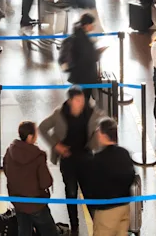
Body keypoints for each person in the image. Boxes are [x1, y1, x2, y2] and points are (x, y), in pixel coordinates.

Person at [38, 86, 107, 235]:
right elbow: (43, 127)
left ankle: (98, 225)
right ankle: (74, 226)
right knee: (71, 193)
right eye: (78, 100)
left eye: (82, 100)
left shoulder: (90, 112)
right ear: (70, 101)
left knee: (90, 193)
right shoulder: (60, 114)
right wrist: (56, 145)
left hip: (86, 158)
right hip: (68, 160)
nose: (81, 103)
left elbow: (104, 119)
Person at [3, 121, 58, 236]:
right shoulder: (37, 156)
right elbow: (45, 182)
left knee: (24, 230)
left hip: (18, 201)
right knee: (50, 232)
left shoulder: (10, 152)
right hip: (35, 204)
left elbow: (6, 170)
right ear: (30, 137)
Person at [84, 119, 136, 236]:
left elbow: (90, 188)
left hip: (106, 212)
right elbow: (131, 177)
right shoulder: (124, 153)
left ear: (103, 135)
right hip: (124, 207)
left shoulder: (97, 160)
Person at [64, 13, 105, 101]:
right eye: (92, 24)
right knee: (84, 98)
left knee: (78, 96)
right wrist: (98, 52)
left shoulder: (77, 34)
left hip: (77, 75)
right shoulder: (83, 40)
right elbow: (90, 57)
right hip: (85, 76)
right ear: (86, 25)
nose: (93, 26)